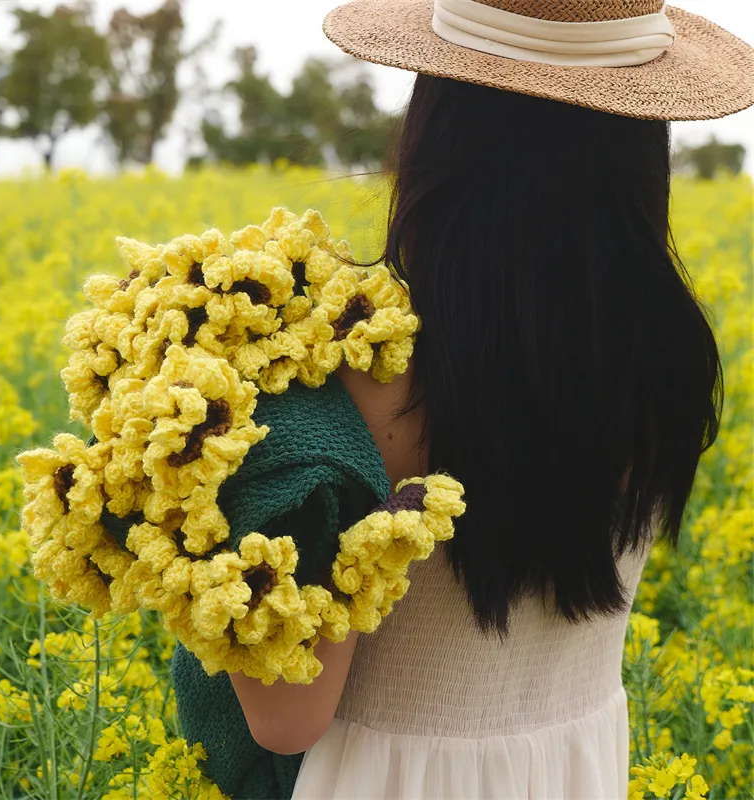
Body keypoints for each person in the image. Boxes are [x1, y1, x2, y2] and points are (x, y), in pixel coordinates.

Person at [226, 1, 754, 798]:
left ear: (439, 134)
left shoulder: (363, 381)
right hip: (578, 772)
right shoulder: (667, 364)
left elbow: (286, 720)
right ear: (642, 147)